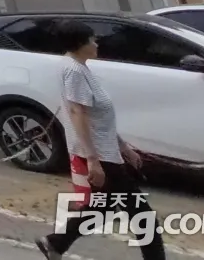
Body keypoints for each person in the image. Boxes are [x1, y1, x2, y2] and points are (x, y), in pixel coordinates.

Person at [36, 20, 165, 259]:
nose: (97, 43)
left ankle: (55, 243)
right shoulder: (74, 71)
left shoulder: (78, 67)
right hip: (101, 156)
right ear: (79, 44)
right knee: (143, 215)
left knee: (102, 209)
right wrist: (93, 159)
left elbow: (99, 118)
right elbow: (78, 113)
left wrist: (124, 147)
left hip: (105, 151)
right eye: (92, 40)